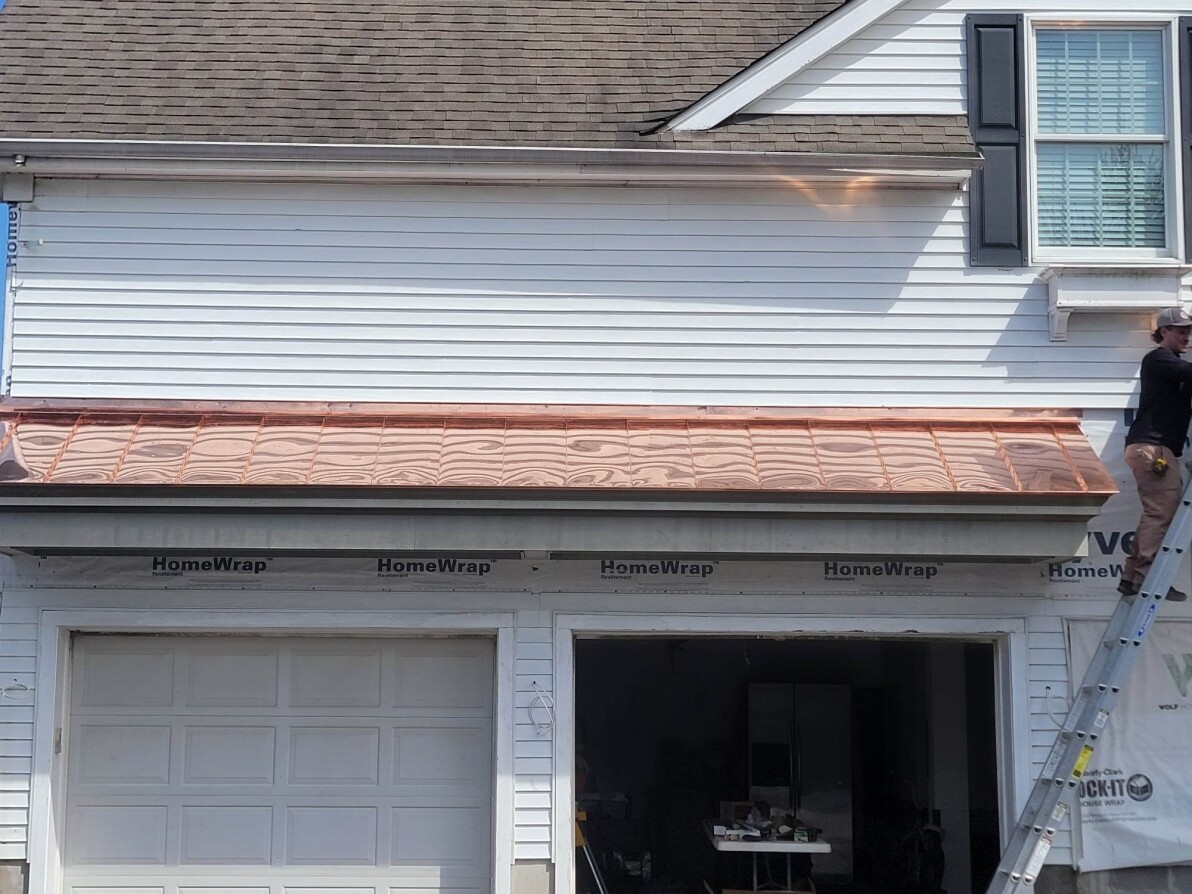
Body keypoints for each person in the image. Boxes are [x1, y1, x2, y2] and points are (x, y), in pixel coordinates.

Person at [1121, 306, 1192, 601]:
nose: (1186, 336)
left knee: (1158, 512)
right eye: (1181, 331)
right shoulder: (1159, 359)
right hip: (1152, 448)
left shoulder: (1171, 365)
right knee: (1160, 512)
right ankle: (1146, 576)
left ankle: (1132, 577)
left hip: (1152, 448)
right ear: (1164, 331)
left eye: (1189, 331)